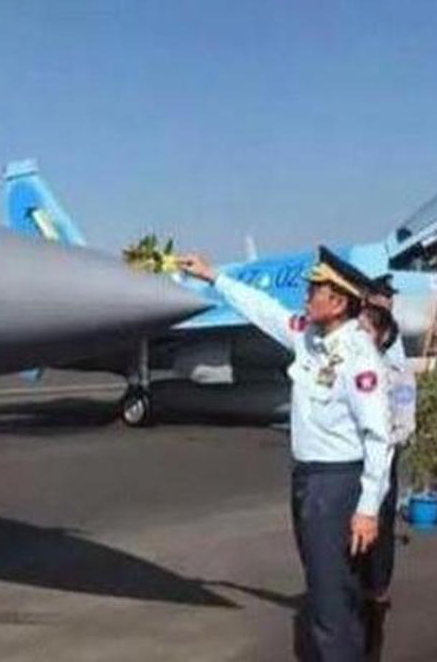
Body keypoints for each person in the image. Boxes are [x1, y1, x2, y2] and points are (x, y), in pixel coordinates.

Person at [178, 246, 392, 662]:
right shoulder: (309, 337)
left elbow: (379, 437)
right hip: (308, 481)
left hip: (337, 485)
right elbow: (264, 310)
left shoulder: (360, 357)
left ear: (339, 302)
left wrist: (367, 508)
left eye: (315, 291)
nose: (306, 297)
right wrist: (213, 276)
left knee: (330, 598)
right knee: (327, 584)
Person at [355, 298, 414, 662]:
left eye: (366, 328)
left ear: (383, 336)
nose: (358, 333)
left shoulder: (397, 375)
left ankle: (377, 591)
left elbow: (405, 424)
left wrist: (381, 442)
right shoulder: (346, 370)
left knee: (381, 524)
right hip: (348, 464)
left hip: (383, 461)